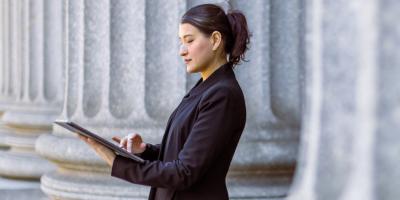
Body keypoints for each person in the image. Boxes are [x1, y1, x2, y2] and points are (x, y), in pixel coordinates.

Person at [79, 3, 250, 200]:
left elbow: (185, 171)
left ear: (215, 40)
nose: (182, 51)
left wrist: (118, 163)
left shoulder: (223, 94)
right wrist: (145, 151)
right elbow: (187, 150)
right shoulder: (206, 87)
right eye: (181, 41)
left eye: (189, 40)